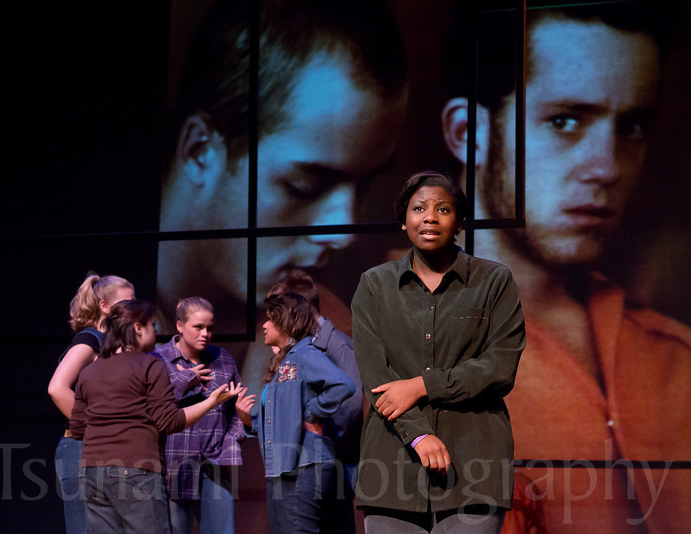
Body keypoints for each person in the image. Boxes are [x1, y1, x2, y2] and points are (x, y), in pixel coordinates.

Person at [440, 2, 691, 532]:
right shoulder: (373, 348)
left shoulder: (678, 359)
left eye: (633, 127)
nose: (606, 166)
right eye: (566, 120)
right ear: (469, 134)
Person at [156, 0, 408, 337]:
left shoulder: (341, 338)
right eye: (304, 185)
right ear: (199, 150)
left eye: (365, 185)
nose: (344, 231)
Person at [351, 172, 526, 533]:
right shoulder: (375, 285)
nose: (430, 217)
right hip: (392, 463)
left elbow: (499, 367)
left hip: (474, 463)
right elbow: (375, 376)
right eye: (419, 209)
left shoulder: (494, 281)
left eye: (442, 209)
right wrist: (417, 434)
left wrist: (422, 385)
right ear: (404, 221)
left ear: (458, 222)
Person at [70, 299, 244, 534]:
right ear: (138, 329)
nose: (157, 331)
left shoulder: (89, 371)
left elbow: (78, 428)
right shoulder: (150, 365)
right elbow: (168, 421)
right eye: (153, 325)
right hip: (136, 469)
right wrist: (211, 401)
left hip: (92, 472)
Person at [235, 293, 356, 534]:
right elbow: (281, 420)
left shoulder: (304, 354)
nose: (264, 324)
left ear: (286, 321)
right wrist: (247, 418)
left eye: (270, 319)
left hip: (305, 464)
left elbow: (344, 384)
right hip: (281, 467)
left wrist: (312, 411)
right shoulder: (283, 362)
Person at [266, 269, 362, 531]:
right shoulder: (293, 349)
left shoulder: (335, 346)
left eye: (278, 311)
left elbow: (349, 404)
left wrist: (314, 423)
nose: (269, 321)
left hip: (330, 461)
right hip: (305, 461)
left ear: (297, 308)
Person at [48, 272, 135, 534]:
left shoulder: (112, 344)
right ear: (104, 307)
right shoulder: (90, 339)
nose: (131, 309)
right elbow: (57, 388)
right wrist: (96, 429)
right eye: (125, 303)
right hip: (80, 450)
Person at [151, 297, 245, 534]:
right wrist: (185, 379)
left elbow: (238, 406)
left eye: (210, 328)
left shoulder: (222, 358)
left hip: (214, 462)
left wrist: (230, 439)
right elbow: (153, 409)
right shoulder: (159, 359)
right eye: (198, 327)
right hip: (175, 464)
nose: (205, 334)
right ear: (180, 326)